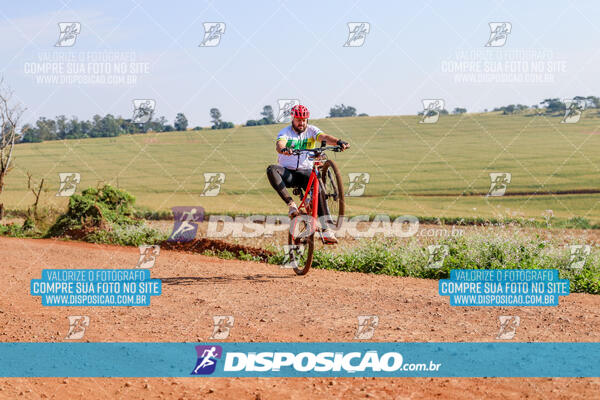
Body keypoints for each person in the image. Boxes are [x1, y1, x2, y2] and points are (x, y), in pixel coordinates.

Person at [266, 104, 349, 244]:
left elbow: (324, 137)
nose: (301, 123)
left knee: (319, 188)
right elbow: (280, 144)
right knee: (271, 169)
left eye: (304, 120)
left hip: (306, 173)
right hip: (289, 173)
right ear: (293, 119)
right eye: (298, 120)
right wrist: (284, 149)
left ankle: (326, 230)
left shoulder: (312, 131)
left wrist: (338, 142)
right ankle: (291, 205)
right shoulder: (285, 132)